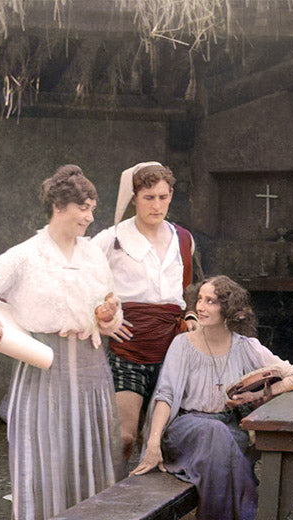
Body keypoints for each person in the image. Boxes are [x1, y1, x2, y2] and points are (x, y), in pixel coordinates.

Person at [0, 164, 125, 520]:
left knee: (91, 465)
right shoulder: (25, 254)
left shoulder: (93, 254)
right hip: (42, 369)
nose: (89, 218)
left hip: (90, 369)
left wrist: (109, 317)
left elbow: (112, 313)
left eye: (93, 209)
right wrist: (0, 331)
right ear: (58, 207)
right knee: (38, 468)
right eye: (82, 209)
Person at [131, 275, 293, 520]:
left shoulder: (246, 346)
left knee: (224, 441)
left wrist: (258, 397)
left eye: (211, 301)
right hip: (186, 430)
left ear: (230, 309)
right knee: (214, 435)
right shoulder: (182, 344)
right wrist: (154, 443)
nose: (201, 306)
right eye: (200, 300)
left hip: (229, 430)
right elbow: (166, 395)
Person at [91, 162, 198, 462]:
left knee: (164, 435)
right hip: (129, 347)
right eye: (149, 197)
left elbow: (187, 289)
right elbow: (82, 286)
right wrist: (101, 322)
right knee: (124, 435)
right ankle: (113, 499)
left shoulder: (183, 239)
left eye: (163, 197)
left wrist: (190, 315)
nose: (157, 205)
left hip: (173, 347)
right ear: (134, 198)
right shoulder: (111, 239)